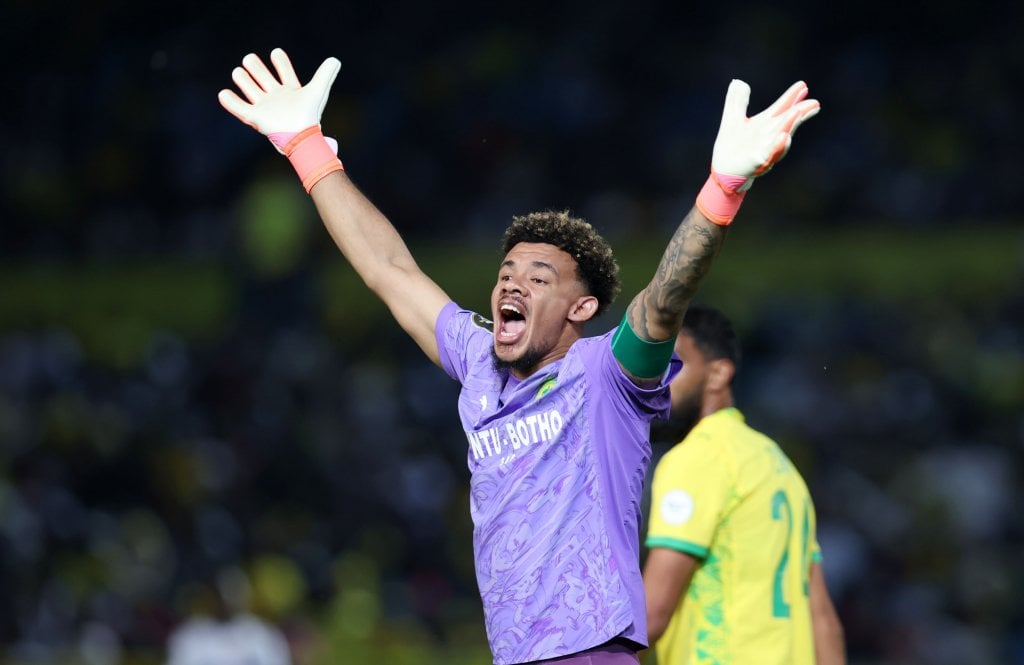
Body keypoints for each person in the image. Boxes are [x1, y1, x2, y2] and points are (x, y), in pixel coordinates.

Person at [217, 48, 819, 665]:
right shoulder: (479, 359)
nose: (511, 286)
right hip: (515, 654)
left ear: (580, 310)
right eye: (506, 274)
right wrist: (307, 148)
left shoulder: (607, 375)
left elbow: (665, 298)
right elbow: (389, 269)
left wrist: (722, 189)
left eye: (537, 279)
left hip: (591, 651)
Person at [642, 304, 846, 664]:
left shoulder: (699, 457)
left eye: (672, 365)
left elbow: (651, 614)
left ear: (719, 373)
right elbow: (823, 621)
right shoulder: (779, 465)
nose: (655, 381)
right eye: (649, 366)